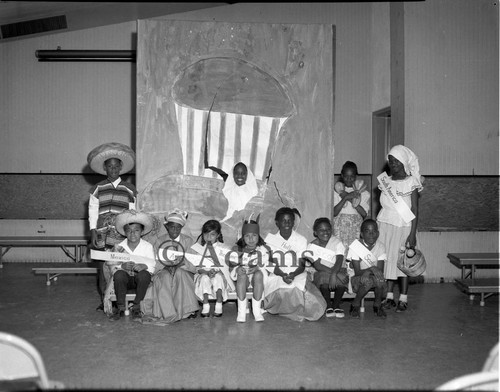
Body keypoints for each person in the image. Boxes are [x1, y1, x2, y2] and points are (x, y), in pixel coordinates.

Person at [87, 142, 137, 312]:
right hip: (102, 233)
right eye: (110, 166)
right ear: (105, 168)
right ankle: (104, 300)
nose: (113, 169)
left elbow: (133, 213)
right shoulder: (98, 188)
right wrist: (93, 230)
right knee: (103, 267)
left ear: (121, 167)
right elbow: (93, 210)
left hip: (121, 233)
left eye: (116, 166)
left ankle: (120, 299)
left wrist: (132, 233)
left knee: (120, 265)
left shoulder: (130, 189)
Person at [376, 145, 423, 312]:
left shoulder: (411, 182)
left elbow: (415, 210)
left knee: (403, 262)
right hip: (386, 225)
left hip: (404, 226)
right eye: (391, 161)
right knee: (388, 260)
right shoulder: (385, 181)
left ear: (403, 162)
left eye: (396, 161)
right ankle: (389, 297)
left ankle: (403, 298)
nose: (393, 164)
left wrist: (412, 234)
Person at [263, 207, 327, 321]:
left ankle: (295, 310)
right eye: (284, 220)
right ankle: (283, 309)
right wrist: (283, 275)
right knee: (282, 288)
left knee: (301, 291)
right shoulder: (270, 240)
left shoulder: (301, 240)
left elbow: (302, 265)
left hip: (297, 272)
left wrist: (292, 275)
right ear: (277, 222)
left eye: (290, 220)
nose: (287, 223)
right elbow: (271, 264)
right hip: (278, 273)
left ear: (293, 222)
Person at [143, 208, 199, 323]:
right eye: (172, 227)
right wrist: (166, 266)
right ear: (167, 227)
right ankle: (169, 313)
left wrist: (183, 263)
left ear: (181, 228)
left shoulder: (188, 242)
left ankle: (187, 310)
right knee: (164, 277)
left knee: (180, 273)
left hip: (183, 271)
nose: (175, 230)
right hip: (164, 270)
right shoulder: (159, 241)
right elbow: (154, 262)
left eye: (178, 227)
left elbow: (195, 265)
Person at [107, 210, 156, 322]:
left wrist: (144, 266)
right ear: (124, 232)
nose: (132, 234)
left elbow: (153, 264)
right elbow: (112, 266)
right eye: (129, 231)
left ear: (142, 232)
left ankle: (137, 307)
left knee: (144, 275)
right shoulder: (119, 247)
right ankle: (120, 307)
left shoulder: (147, 247)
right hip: (125, 281)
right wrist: (121, 266)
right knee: (119, 274)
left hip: (140, 281)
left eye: (136, 230)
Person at [229, 218, 269, 322]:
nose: (251, 239)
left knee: (259, 274)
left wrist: (258, 267)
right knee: (241, 276)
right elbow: (232, 265)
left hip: (258, 281)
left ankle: (256, 311)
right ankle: (241, 311)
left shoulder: (263, 249)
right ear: (243, 237)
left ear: (258, 236)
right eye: (247, 236)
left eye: (254, 235)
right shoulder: (237, 249)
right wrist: (237, 269)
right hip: (243, 281)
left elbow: (268, 264)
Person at [307, 217, 349, 318]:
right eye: (321, 230)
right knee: (322, 277)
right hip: (322, 270)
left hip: (337, 268)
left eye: (328, 229)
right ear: (315, 232)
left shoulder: (337, 242)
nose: (325, 232)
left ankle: (336, 305)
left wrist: (336, 273)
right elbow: (318, 265)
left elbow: (339, 259)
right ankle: (328, 306)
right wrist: (335, 274)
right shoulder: (311, 246)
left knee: (343, 278)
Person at [346, 219, 388, 318]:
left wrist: (370, 270)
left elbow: (380, 270)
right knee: (368, 281)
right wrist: (372, 269)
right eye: (367, 231)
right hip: (356, 278)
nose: (371, 234)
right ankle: (355, 304)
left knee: (380, 279)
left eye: (374, 231)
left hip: (373, 277)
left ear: (378, 233)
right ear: (361, 234)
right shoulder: (356, 247)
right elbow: (357, 272)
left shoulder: (381, 247)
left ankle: (377, 305)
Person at [192, 220, 229, 317]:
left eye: (212, 234)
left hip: (219, 273)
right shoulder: (199, 249)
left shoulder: (223, 248)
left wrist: (217, 271)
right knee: (204, 278)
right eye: (206, 234)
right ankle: (205, 304)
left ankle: (219, 304)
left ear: (218, 235)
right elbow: (198, 268)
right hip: (204, 273)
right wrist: (206, 272)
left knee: (218, 278)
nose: (208, 237)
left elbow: (226, 266)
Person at [333, 161, 370, 254]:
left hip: (355, 228)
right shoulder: (335, 192)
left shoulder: (363, 193)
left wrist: (351, 198)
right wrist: (345, 197)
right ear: (341, 175)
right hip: (339, 229)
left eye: (352, 176)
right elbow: (334, 212)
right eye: (346, 176)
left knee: (353, 253)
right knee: (340, 252)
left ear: (356, 176)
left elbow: (364, 214)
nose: (349, 179)